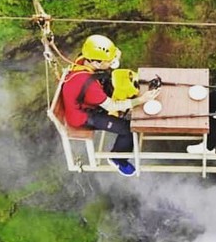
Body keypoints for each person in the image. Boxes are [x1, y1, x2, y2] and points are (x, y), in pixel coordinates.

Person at [62, 34, 159, 177]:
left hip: (86, 103)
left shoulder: (83, 60)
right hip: (84, 117)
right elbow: (112, 106)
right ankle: (117, 158)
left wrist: (114, 55)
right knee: (128, 129)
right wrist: (141, 100)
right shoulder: (89, 85)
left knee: (126, 107)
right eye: (108, 61)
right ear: (96, 63)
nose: (111, 63)